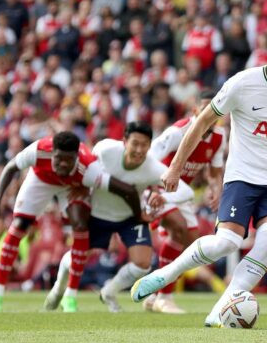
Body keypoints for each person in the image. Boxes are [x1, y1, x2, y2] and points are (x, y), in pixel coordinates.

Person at [131, 28, 267, 328]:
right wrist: (174, 168)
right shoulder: (242, 84)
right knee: (227, 242)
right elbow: (201, 123)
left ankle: (220, 312)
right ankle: (167, 274)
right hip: (242, 178)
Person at [0, 131, 142, 312]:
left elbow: (123, 189)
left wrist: (136, 213)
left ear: (76, 157)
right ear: (52, 152)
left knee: (81, 225)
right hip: (40, 180)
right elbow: (11, 167)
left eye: (69, 160)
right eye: (59, 159)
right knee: (19, 225)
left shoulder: (89, 168)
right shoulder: (39, 149)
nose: (64, 164)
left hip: (71, 187)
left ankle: (70, 296)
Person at [44, 122, 193, 312]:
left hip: (130, 217)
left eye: (144, 145)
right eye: (135, 144)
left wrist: (163, 197)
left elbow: (187, 192)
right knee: (77, 258)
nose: (139, 150)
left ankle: (109, 291)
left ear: (149, 146)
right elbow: (86, 167)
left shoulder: (154, 168)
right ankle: (59, 288)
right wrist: (81, 187)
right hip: (98, 214)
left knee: (143, 264)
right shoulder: (105, 150)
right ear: (124, 142)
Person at [142, 90, 225, 314]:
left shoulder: (219, 137)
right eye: (205, 107)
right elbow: (149, 158)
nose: (210, 112)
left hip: (183, 194)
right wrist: (149, 189)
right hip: (160, 187)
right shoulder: (178, 131)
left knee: (189, 243)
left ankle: (154, 295)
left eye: (215, 108)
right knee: (178, 229)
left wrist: (215, 189)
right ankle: (164, 298)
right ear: (196, 110)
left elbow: (215, 172)